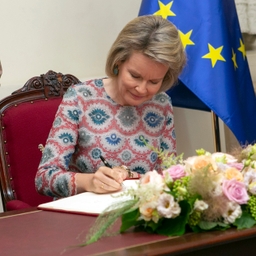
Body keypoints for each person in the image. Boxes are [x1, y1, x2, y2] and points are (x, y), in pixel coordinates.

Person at [35, 15, 186, 199]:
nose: (142, 88)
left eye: (154, 81)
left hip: (140, 214)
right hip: (84, 219)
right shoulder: (80, 98)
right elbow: (45, 177)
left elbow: (169, 177)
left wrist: (132, 177)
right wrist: (89, 182)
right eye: (135, 76)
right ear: (118, 62)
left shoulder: (161, 104)